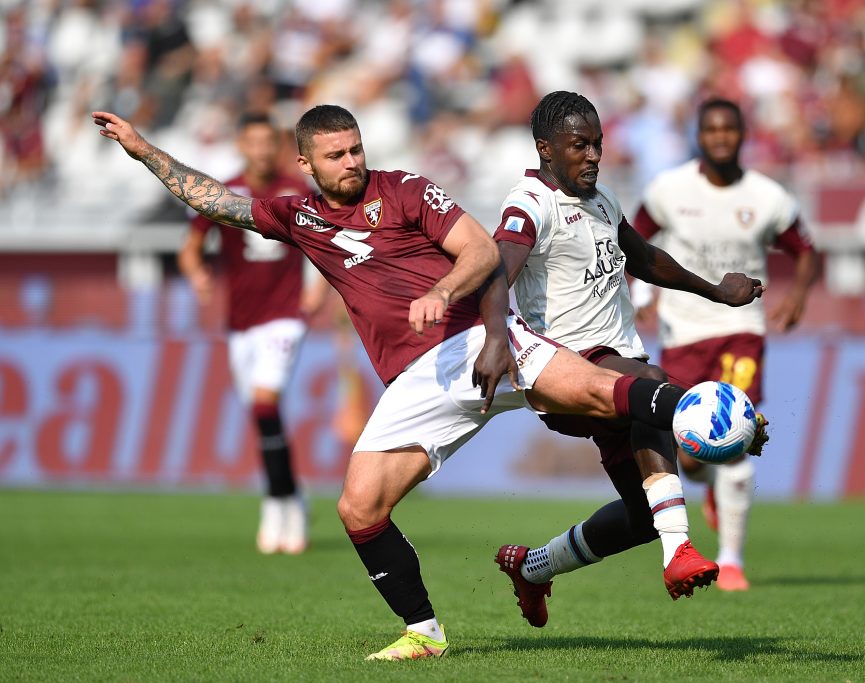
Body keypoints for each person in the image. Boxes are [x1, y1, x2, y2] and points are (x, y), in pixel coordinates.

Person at [93, 104, 758, 661]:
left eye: (356, 149)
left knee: (603, 386)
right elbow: (215, 200)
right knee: (358, 507)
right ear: (307, 166)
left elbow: (480, 249)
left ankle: (720, 411)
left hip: (477, 339)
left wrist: (445, 292)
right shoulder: (299, 219)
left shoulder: (406, 189)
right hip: (420, 380)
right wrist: (142, 149)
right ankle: (425, 631)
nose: (351, 162)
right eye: (335, 155)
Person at [482, 91, 767, 628]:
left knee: (642, 517)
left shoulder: (603, 200)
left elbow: (645, 258)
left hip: (619, 367)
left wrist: (715, 291)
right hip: (568, 373)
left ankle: (534, 567)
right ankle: (679, 552)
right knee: (652, 384)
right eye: (578, 145)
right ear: (546, 149)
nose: (592, 155)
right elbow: (497, 272)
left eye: (597, 144)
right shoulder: (530, 204)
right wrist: (496, 338)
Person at [632, 97, 820, 591]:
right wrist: (641, 291)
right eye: (711, 129)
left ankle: (732, 560)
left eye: (729, 129)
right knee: (693, 457)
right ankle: (713, 486)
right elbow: (632, 239)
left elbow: (805, 249)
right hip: (683, 331)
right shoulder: (669, 189)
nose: (720, 137)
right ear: (699, 134)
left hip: (741, 331)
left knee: (738, 436)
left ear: (742, 135)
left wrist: (799, 294)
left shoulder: (767, 197)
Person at [177, 112, 325, 555]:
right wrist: (196, 274)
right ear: (241, 145)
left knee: (265, 402)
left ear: (277, 146)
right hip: (240, 323)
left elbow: (322, 245)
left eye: (268, 142)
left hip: (285, 315)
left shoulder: (297, 190)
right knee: (264, 418)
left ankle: (281, 506)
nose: (260, 150)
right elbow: (190, 250)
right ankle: (289, 493)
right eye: (252, 142)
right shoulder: (224, 192)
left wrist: (316, 288)